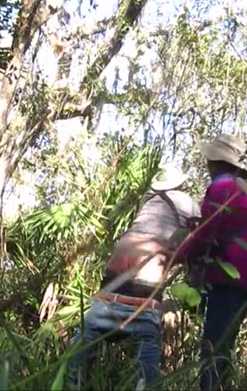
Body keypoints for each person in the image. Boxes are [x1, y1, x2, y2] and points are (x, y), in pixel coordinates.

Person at [68, 163, 201, 387]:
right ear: (180, 182)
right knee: (148, 336)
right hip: (146, 284)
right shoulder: (186, 201)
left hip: (113, 279)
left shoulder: (147, 200)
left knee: (87, 333)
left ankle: (68, 381)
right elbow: (200, 237)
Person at [173, 133, 247, 391]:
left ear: (217, 162)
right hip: (246, 281)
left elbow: (207, 231)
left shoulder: (222, 186)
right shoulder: (239, 188)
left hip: (230, 281)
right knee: (221, 350)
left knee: (212, 352)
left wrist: (181, 255)